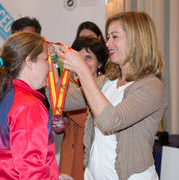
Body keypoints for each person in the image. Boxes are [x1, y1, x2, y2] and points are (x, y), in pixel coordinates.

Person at [57, 11, 168, 180]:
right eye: (108, 37)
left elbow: (111, 121)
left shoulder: (152, 87)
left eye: (114, 37)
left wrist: (82, 70)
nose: (108, 43)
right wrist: (48, 67)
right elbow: (63, 102)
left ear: (136, 40)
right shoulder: (107, 81)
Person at [0, 32, 73, 180]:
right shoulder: (29, 106)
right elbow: (32, 171)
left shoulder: (4, 96)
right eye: (45, 59)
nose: (49, 68)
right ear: (29, 62)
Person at [58, 37, 108, 180]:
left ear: (100, 63)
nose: (82, 62)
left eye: (88, 57)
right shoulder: (69, 85)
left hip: (91, 164)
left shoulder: (106, 88)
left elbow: (90, 121)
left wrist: (64, 106)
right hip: (67, 165)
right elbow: (61, 129)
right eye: (78, 58)